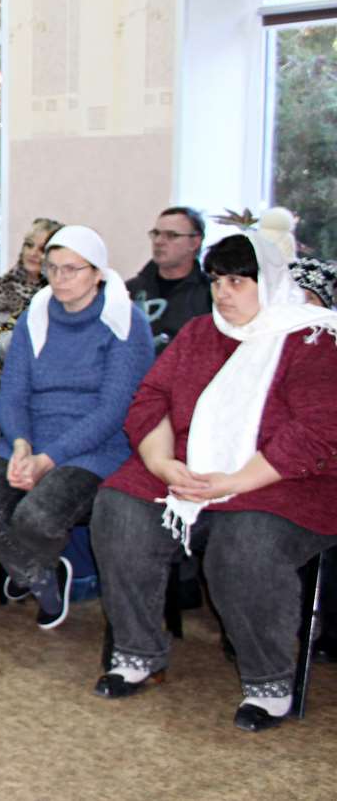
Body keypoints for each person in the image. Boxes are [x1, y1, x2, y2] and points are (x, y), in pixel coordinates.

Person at [90, 231, 337, 732]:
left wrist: (236, 480)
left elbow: (317, 432)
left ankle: (269, 682)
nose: (223, 293)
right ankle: (138, 653)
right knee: (119, 507)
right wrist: (162, 463)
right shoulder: (201, 332)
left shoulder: (313, 338)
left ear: (269, 282)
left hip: (282, 481)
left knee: (245, 545)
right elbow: (151, 399)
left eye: (237, 282)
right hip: (191, 468)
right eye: (217, 281)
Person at [0, 226, 154, 629]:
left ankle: (30, 569)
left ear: (97, 273)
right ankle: (40, 575)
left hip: (94, 447)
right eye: (52, 268)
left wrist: (49, 459)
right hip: (29, 438)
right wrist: (20, 444)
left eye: (71, 269)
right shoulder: (35, 316)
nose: (59, 278)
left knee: (37, 517)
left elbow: (114, 410)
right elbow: (12, 393)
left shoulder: (126, 322)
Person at [127, 206, 212, 348]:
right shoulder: (129, 290)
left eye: (171, 235)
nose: (158, 241)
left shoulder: (211, 294)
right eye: (156, 233)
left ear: (195, 242)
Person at [0, 217, 62, 326]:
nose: (33, 253)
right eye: (29, 245)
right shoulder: (4, 286)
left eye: (42, 249)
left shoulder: (62, 289)